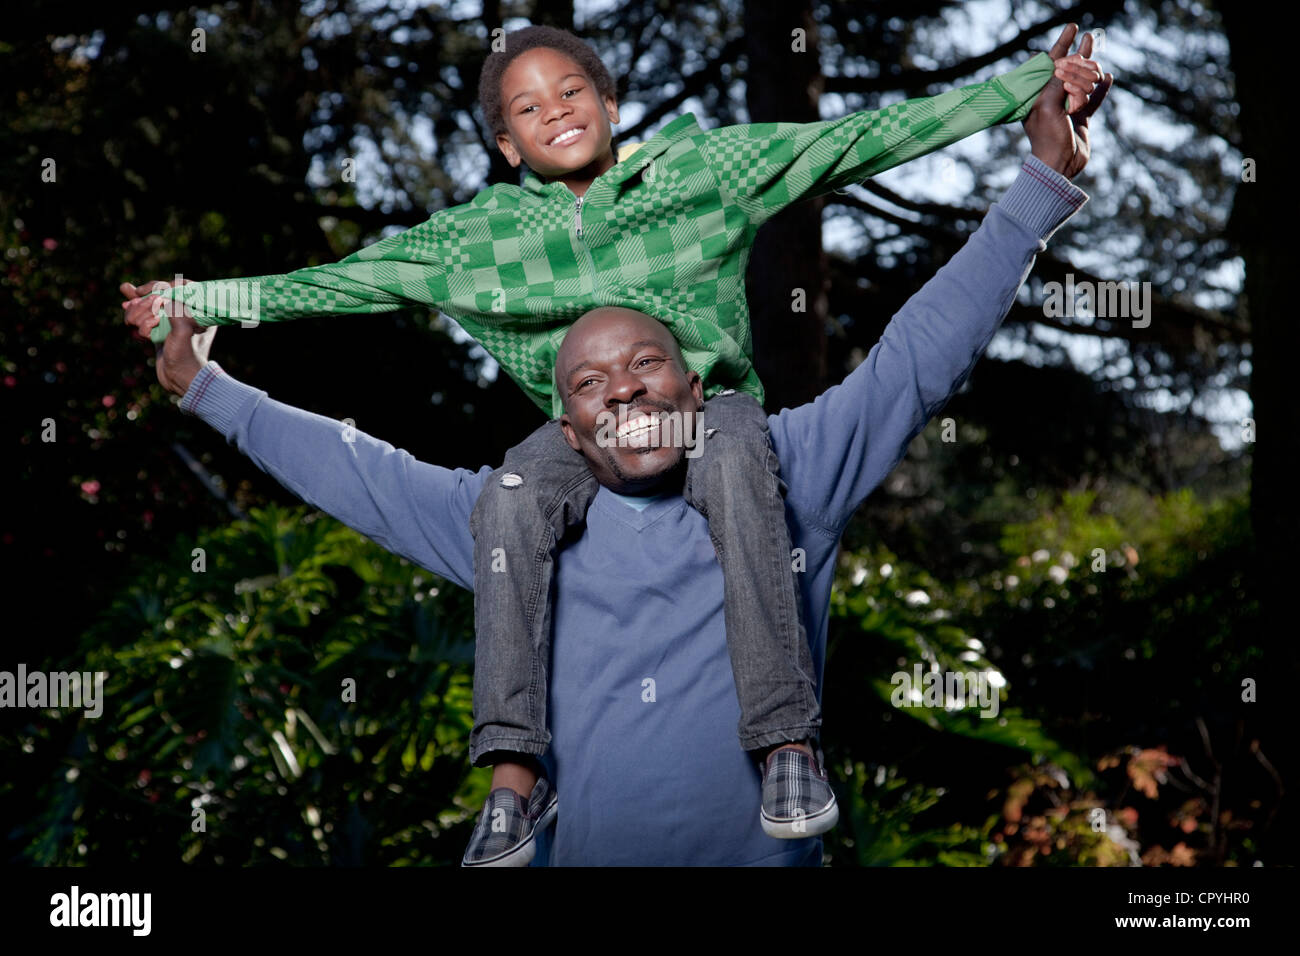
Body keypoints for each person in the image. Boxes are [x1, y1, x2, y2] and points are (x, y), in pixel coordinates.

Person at [122, 24, 1105, 865]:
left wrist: (1029, 122)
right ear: (505, 144)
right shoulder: (485, 268)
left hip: (722, 434)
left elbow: (871, 192)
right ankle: (513, 777)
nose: (624, 386)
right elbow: (344, 327)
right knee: (510, 492)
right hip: (551, 497)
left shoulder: (776, 445)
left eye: (644, 362)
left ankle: (786, 746)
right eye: (589, 377)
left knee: (728, 451)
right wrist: (198, 329)